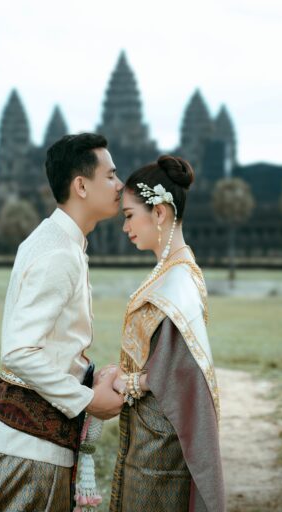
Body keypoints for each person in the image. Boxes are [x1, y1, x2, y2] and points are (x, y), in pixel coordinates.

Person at [0, 133, 126, 512]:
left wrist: (88, 374)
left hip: (14, 444)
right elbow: (20, 350)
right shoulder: (60, 253)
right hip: (29, 457)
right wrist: (89, 400)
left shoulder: (53, 240)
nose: (120, 186)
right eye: (111, 176)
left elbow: (51, 343)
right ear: (81, 186)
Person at [109, 155, 226, 512]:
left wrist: (128, 383)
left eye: (130, 215)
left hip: (162, 445)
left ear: (159, 212)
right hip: (150, 432)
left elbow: (182, 371)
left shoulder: (179, 281)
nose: (126, 227)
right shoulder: (172, 273)